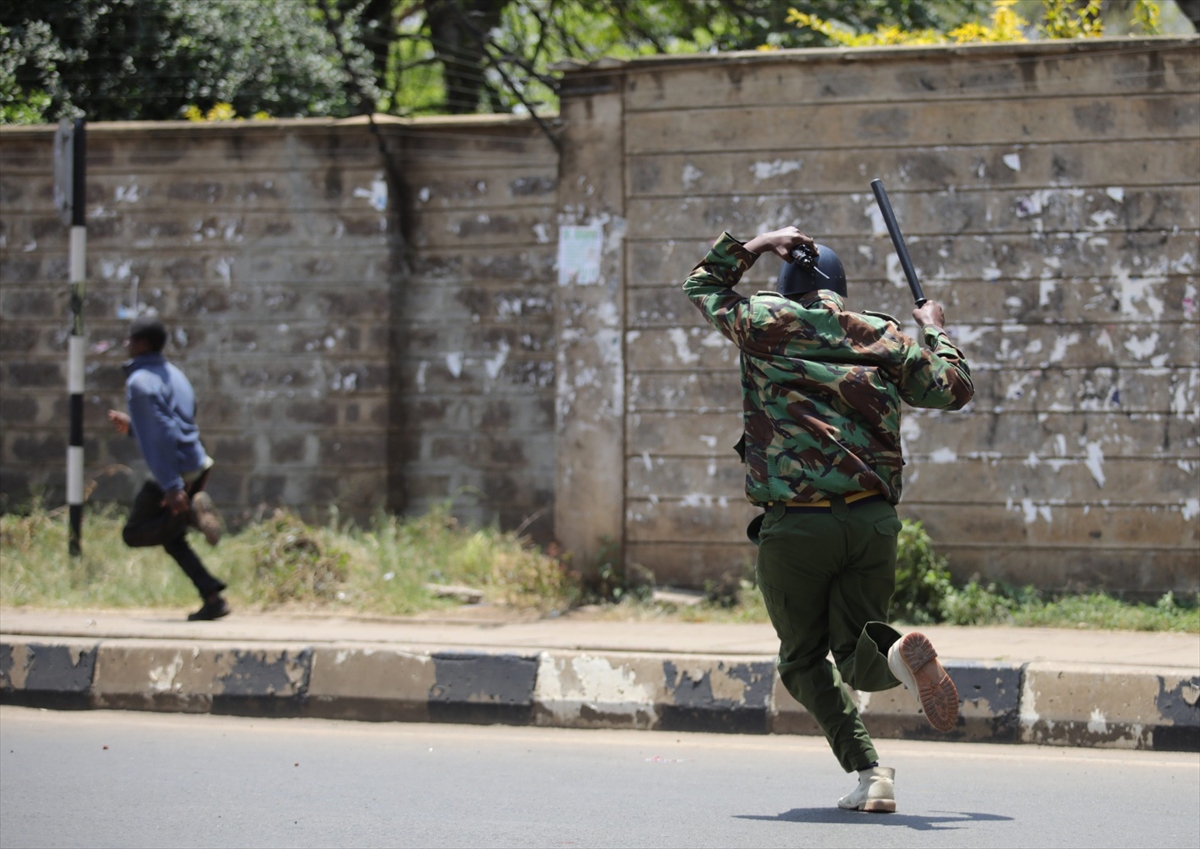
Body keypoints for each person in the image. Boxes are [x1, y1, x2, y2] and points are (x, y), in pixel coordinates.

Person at [683, 227, 974, 813]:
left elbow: (702, 284)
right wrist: (934, 328)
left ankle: (869, 770)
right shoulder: (884, 336)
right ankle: (897, 663)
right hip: (872, 524)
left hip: (798, 527)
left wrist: (762, 241)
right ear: (840, 289)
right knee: (859, 655)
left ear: (787, 285)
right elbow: (954, 389)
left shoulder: (765, 323)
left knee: (801, 658)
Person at [107, 316, 229, 621]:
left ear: (143, 344)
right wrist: (135, 427)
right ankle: (212, 597)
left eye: (131, 339)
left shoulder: (139, 383)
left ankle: (191, 513)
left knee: (134, 533)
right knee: (172, 538)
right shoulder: (174, 375)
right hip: (197, 462)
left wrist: (172, 486)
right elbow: (173, 423)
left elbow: (160, 436)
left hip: (175, 471)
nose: (126, 344)